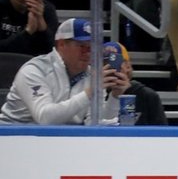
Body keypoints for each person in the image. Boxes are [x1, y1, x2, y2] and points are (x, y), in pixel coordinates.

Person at [0, 18, 128, 125]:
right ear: (61, 44)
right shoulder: (34, 70)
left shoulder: (93, 76)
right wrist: (90, 92)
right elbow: (45, 118)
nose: (88, 52)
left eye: (92, 47)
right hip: (12, 137)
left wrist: (115, 96)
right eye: (82, 46)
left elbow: (95, 123)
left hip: (57, 141)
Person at [104, 41, 168, 125]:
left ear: (128, 66)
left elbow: (161, 132)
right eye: (105, 65)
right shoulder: (97, 94)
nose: (111, 70)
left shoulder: (147, 95)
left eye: (116, 64)